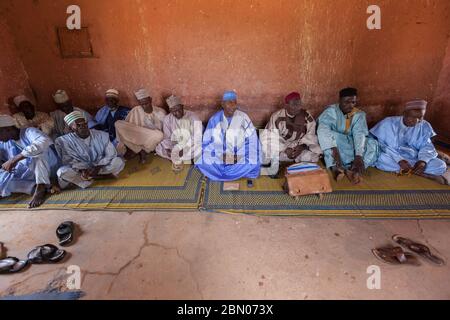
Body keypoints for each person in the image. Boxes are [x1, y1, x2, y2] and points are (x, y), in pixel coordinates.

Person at [370, 99, 449, 185]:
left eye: (420, 117)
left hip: (415, 158)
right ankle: (423, 174)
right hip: (392, 156)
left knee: (441, 165)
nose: (416, 121)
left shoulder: (424, 125)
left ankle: (413, 171)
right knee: (381, 159)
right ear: (404, 113)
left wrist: (423, 161)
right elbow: (382, 145)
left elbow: (427, 146)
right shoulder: (389, 123)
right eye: (412, 117)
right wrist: (399, 160)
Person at [317, 87, 378, 184]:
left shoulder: (359, 114)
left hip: (352, 143)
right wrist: (335, 150)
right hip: (336, 144)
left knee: (372, 143)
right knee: (330, 138)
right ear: (339, 101)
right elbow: (323, 130)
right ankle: (336, 168)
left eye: (353, 102)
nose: (350, 106)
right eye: (346, 102)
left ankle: (355, 170)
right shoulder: (331, 111)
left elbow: (360, 134)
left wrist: (358, 156)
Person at [196, 91, 261, 181]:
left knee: (254, 159)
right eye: (229, 103)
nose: (233, 106)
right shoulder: (214, 119)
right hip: (220, 156)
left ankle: (222, 173)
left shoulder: (244, 117)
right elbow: (207, 142)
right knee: (202, 159)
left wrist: (237, 156)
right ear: (222, 104)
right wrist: (221, 155)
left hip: (240, 154)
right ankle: (237, 173)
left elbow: (252, 140)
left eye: (234, 103)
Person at [0, 114, 60, 208]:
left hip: (49, 165)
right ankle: (33, 188)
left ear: (8, 129)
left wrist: (14, 159)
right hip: (31, 173)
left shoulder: (29, 131)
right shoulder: (7, 142)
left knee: (37, 153)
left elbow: (44, 141)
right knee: (4, 178)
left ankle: (40, 187)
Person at [55, 111, 125, 190]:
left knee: (118, 161)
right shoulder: (63, 141)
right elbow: (68, 160)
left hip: (100, 165)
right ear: (71, 128)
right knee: (62, 172)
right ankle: (99, 177)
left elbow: (111, 154)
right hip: (81, 169)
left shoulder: (101, 135)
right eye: (78, 125)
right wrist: (83, 170)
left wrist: (98, 167)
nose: (83, 126)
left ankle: (88, 179)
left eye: (85, 124)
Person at [261, 92, 322, 176]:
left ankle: (290, 167)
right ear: (286, 105)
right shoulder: (277, 116)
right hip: (282, 147)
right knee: (264, 153)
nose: (297, 107)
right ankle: (286, 164)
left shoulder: (306, 116)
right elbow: (269, 137)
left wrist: (301, 147)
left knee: (313, 157)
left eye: (298, 104)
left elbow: (311, 135)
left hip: (298, 148)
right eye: (293, 104)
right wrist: (285, 149)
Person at [115, 88, 166, 163]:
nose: (145, 106)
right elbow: (129, 128)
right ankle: (140, 150)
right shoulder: (136, 110)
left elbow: (164, 131)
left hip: (151, 140)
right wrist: (139, 132)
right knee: (118, 124)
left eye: (146, 103)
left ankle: (139, 150)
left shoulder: (160, 112)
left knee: (159, 135)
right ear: (139, 103)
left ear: (150, 100)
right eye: (142, 104)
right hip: (137, 137)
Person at [155, 95, 202, 171]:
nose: (177, 113)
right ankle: (180, 157)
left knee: (199, 149)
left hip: (190, 144)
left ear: (182, 106)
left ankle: (178, 157)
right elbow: (167, 137)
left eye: (179, 109)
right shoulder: (167, 119)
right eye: (174, 111)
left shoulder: (193, 117)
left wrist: (183, 150)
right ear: (170, 110)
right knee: (159, 148)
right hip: (176, 144)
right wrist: (169, 148)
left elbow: (197, 137)